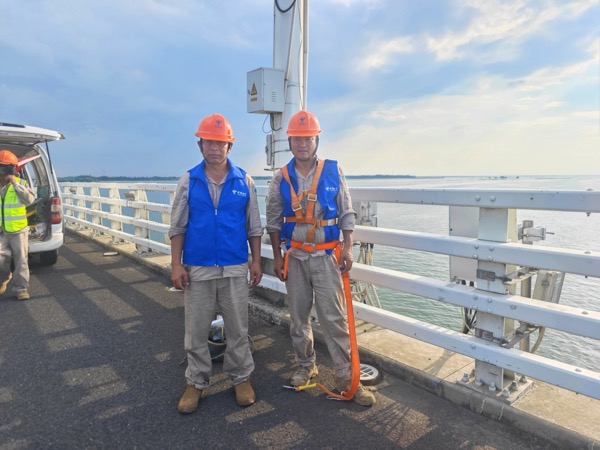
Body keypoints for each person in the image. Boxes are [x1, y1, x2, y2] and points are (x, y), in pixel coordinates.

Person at [266, 110, 376, 406]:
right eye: (297, 139)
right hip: (295, 257)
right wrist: (277, 257)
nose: (303, 144)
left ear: (316, 140)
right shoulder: (280, 178)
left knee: (334, 318)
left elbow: (347, 212)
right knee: (298, 317)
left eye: (308, 138)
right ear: (289, 141)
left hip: (327, 256)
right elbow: (273, 222)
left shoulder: (333, 171)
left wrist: (348, 247)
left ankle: (347, 378)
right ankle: (306, 366)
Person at [169, 113, 263, 414]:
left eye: (220, 143)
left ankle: (241, 378)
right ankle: (196, 382)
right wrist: (176, 265)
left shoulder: (244, 180)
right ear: (200, 145)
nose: (214, 148)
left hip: (235, 266)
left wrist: (256, 261)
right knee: (196, 330)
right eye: (209, 142)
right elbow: (178, 226)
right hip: (198, 267)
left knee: (238, 328)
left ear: (229, 146)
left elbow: (254, 227)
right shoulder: (189, 180)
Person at [0, 150, 36, 301]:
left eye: (4, 168)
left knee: (21, 260)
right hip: (2, 230)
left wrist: (14, 182)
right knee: (1, 260)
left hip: (18, 229)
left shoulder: (21, 183)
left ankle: (21, 289)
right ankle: (3, 280)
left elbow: (30, 199)